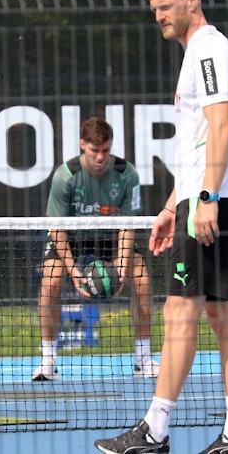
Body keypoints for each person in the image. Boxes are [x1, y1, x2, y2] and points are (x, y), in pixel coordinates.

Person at [94, 0, 228, 453]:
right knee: (224, 316)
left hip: (213, 203)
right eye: (155, 10)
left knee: (179, 312)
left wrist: (204, 200)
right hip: (205, 199)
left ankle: (154, 431)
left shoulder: (208, 48)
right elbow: (199, 141)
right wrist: (171, 206)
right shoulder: (197, 55)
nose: (159, 16)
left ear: (190, 0)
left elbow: (222, 127)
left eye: (165, 7)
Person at [32, 116, 158, 381]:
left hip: (110, 235)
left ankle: (144, 360)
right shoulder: (65, 177)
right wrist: (74, 273)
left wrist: (122, 266)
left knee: (142, 280)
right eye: (94, 150)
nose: (100, 157)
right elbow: (57, 229)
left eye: (105, 150)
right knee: (50, 282)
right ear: (82, 145)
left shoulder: (127, 174)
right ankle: (48, 362)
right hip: (72, 238)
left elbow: (127, 225)